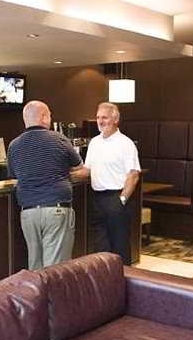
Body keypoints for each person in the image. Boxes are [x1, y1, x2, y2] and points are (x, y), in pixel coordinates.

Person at [8, 100, 88, 270]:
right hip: (56, 209)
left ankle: (38, 289)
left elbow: (15, 176)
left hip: (28, 213)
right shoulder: (58, 139)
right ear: (43, 117)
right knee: (55, 269)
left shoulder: (14, 145)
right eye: (50, 115)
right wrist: (62, 172)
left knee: (35, 267)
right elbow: (79, 167)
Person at [84, 102, 141, 265]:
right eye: (98, 117)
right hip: (97, 199)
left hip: (117, 199)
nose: (100, 121)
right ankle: (104, 280)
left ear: (115, 120)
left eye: (104, 118)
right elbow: (87, 170)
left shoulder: (126, 143)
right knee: (100, 249)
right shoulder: (94, 142)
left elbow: (133, 175)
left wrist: (121, 200)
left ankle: (123, 278)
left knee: (120, 248)